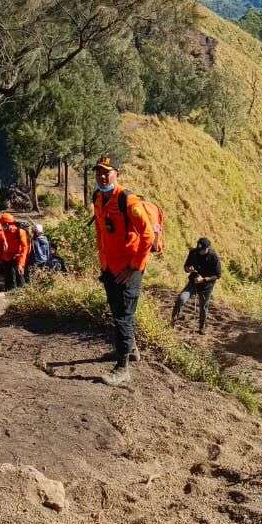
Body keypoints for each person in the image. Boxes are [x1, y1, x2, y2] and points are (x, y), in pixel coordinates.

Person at [91, 155, 153, 386]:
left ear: (117, 174)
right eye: (99, 172)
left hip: (129, 270)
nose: (102, 176)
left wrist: (133, 266)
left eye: (107, 172)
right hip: (109, 267)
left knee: (122, 317)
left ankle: (122, 367)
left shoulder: (128, 201)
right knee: (117, 312)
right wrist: (103, 261)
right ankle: (131, 350)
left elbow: (148, 235)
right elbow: (100, 229)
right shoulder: (98, 197)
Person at [173, 236, 222, 333]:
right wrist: (188, 269)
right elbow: (186, 267)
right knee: (181, 298)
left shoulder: (214, 257)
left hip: (206, 286)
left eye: (202, 250)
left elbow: (217, 275)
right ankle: (173, 321)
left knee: (203, 307)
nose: (200, 251)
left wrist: (204, 279)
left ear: (207, 248)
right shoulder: (193, 252)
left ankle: (202, 327)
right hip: (193, 282)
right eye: (199, 249)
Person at [0, 211, 29, 290]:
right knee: (8, 276)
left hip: (18, 257)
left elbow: (25, 248)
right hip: (7, 257)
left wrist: (21, 263)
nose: (0, 226)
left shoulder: (20, 232)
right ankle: (9, 292)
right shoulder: (2, 232)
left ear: (7, 224)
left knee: (19, 275)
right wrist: (0, 258)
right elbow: (0, 245)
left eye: (1, 224)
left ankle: (21, 293)